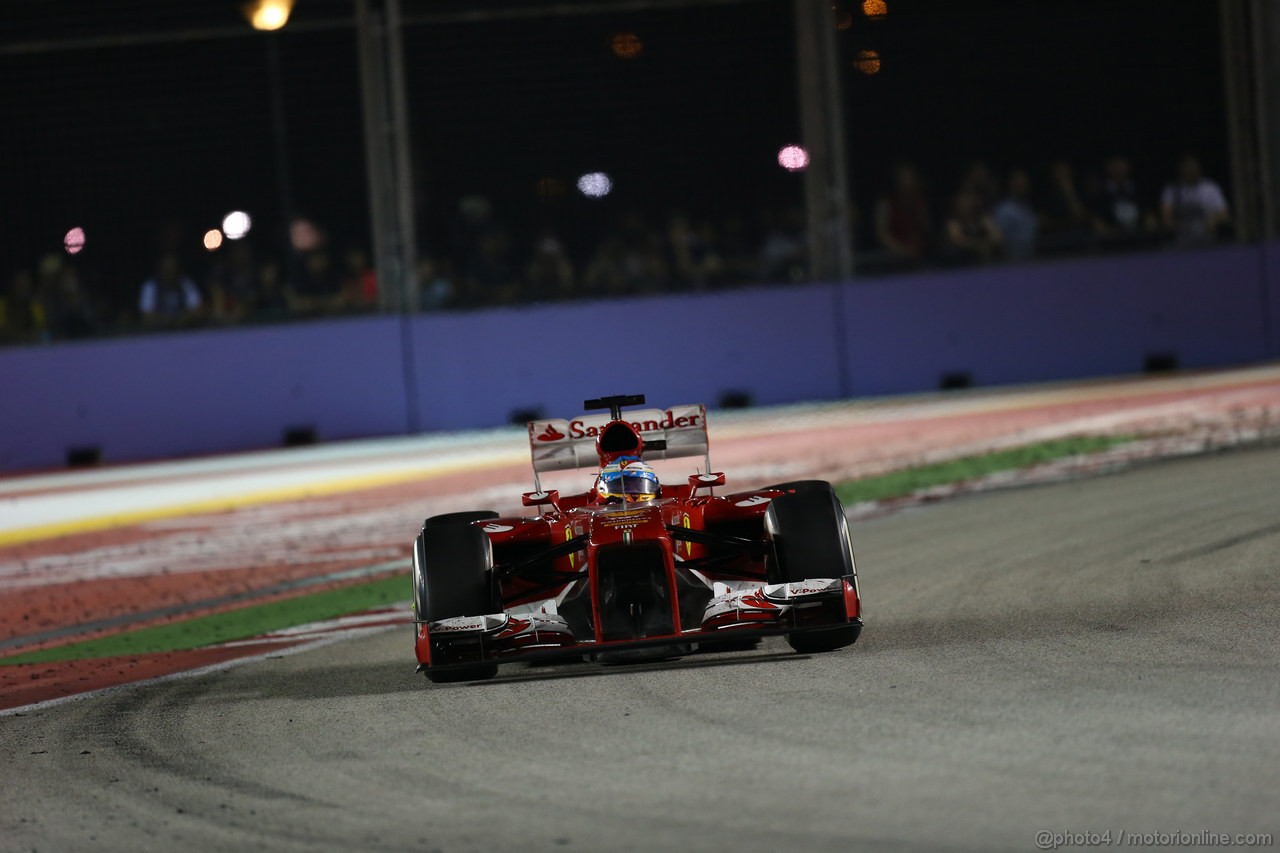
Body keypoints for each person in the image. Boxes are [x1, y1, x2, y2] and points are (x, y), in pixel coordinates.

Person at [874, 162, 933, 267]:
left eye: (910, 176)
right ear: (896, 180)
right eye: (904, 177)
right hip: (893, 257)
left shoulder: (918, 201)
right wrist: (902, 250)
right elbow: (883, 235)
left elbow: (925, 227)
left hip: (918, 253)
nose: (908, 180)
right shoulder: (886, 203)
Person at [1160, 154, 1229, 246]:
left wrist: (1213, 221)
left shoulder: (1210, 187)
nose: (1191, 171)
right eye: (1187, 168)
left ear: (1199, 168)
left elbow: (1224, 215)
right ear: (1181, 170)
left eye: (1193, 167)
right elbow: (1167, 220)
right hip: (1181, 242)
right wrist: (1184, 227)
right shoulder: (1172, 190)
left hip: (1209, 240)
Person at [992, 168, 1039, 261]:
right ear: (1012, 183)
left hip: (1032, 260)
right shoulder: (1004, 209)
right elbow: (999, 241)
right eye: (1020, 181)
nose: (1024, 184)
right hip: (1012, 263)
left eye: (1025, 181)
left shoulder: (1027, 207)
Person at [595, 456, 662, 504]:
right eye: (624, 487)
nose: (634, 495)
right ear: (603, 487)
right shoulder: (595, 509)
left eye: (639, 486)